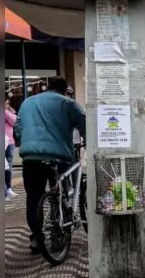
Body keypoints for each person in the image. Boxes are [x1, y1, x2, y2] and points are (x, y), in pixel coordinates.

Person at [14, 76, 86, 253]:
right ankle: (59, 233)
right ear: (63, 90)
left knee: (33, 198)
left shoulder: (27, 102)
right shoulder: (67, 103)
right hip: (59, 156)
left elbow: (18, 129)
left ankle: (37, 238)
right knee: (61, 192)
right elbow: (85, 122)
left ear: (47, 88)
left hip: (31, 157)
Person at [5, 97, 17, 199]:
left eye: (7, 103)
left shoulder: (9, 111)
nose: (6, 105)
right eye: (4, 104)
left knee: (8, 166)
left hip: (9, 142)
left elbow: (15, 122)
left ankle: (8, 188)